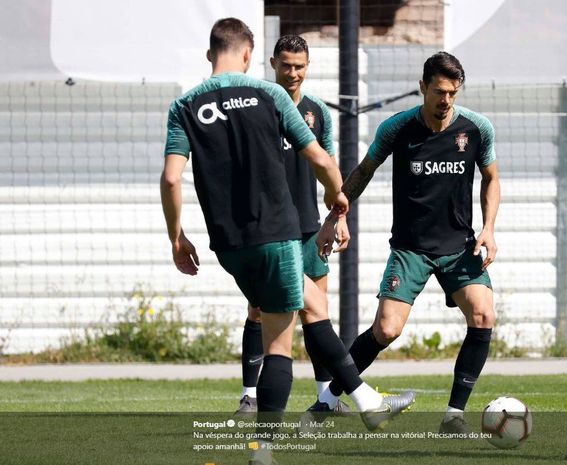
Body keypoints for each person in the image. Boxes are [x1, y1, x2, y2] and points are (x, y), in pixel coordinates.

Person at [160, 17, 414, 465]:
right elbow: (318, 156)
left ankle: (363, 399)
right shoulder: (269, 95)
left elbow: (170, 178)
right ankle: (266, 449)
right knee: (281, 342)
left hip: (229, 245)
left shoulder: (184, 105)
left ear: (210, 54)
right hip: (276, 233)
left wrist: (177, 237)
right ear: (249, 55)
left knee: (313, 308)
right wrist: (339, 200)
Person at [313, 51, 500, 434]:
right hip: (410, 249)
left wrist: (489, 228)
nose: (445, 100)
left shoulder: (477, 129)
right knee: (386, 330)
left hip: (459, 246)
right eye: (438, 91)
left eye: (452, 92)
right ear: (422, 88)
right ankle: (328, 400)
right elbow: (363, 171)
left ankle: (454, 416)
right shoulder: (397, 128)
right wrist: (335, 217)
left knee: (483, 315)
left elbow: (491, 179)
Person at [235, 34, 350, 416]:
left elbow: (329, 169)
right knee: (257, 311)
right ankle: (249, 396)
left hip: (308, 228)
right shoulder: (258, 108)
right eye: (286, 65)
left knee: (317, 311)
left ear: (308, 66)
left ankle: (324, 397)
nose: (293, 73)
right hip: (268, 232)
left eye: (299, 66)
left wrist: (337, 218)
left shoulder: (318, 113)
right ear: (272, 64)